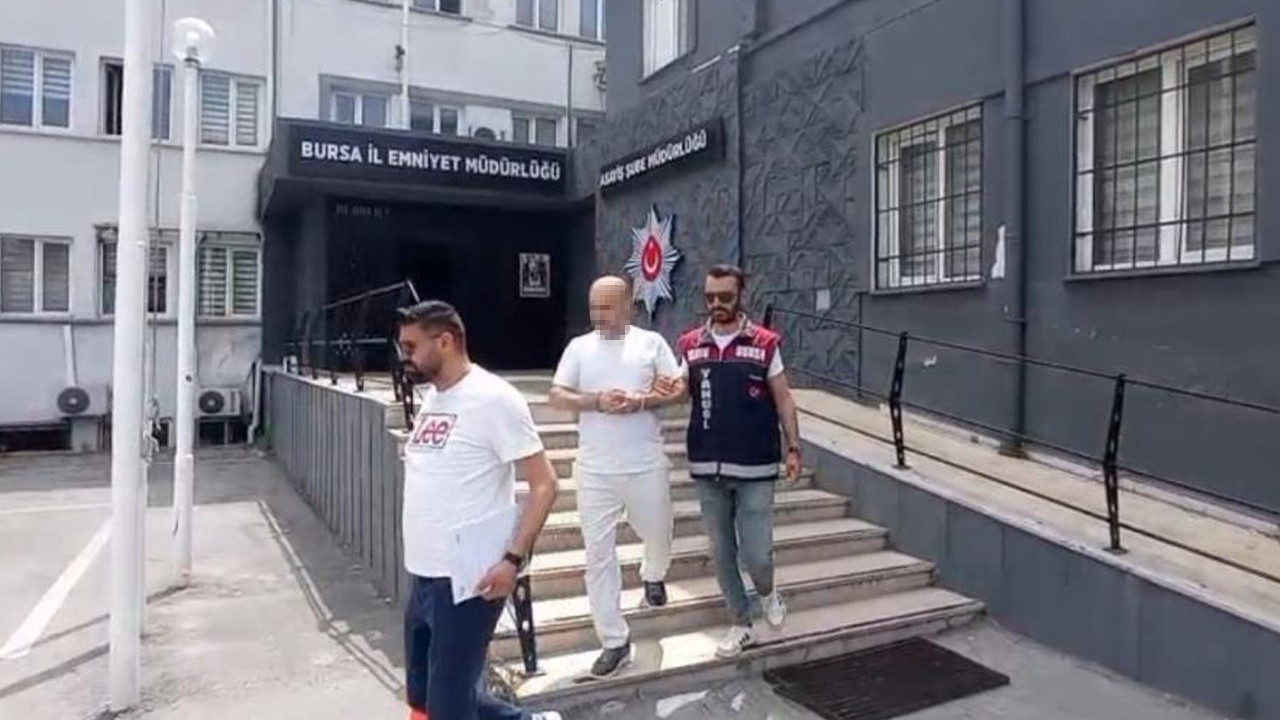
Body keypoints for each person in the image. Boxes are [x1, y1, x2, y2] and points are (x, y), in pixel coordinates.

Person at [397, 300, 561, 720]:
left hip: (468, 580)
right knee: (423, 696)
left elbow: (544, 484)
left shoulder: (494, 399)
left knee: (449, 704)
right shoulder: (434, 398)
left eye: (411, 347)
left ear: (445, 342)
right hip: (423, 574)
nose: (404, 357)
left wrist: (512, 560)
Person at [548, 276, 686, 678]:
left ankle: (653, 574)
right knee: (598, 556)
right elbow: (557, 395)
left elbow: (678, 390)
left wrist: (644, 400)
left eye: (607, 307)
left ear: (627, 306)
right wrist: (595, 401)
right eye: (594, 307)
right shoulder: (579, 348)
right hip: (595, 469)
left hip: (645, 463)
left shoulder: (651, 344)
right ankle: (613, 640)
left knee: (658, 533)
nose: (598, 315)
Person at [671, 264, 802, 658]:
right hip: (707, 467)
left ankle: (768, 592)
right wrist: (662, 390)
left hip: (756, 467)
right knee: (722, 553)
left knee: (757, 555)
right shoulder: (691, 344)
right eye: (710, 297)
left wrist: (794, 448)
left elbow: (783, 398)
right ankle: (741, 624)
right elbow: (679, 389)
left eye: (725, 297)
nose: (716, 303)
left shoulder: (764, 344)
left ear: (741, 295)